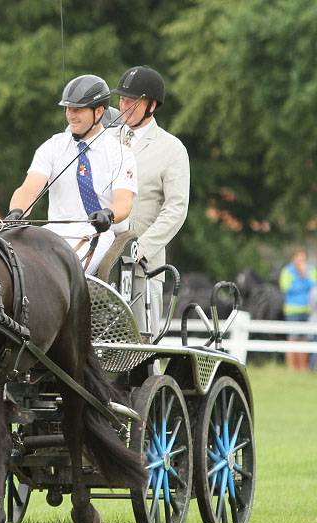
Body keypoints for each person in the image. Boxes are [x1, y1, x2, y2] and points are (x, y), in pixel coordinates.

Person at [7, 74, 136, 275]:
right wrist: (17, 210)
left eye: (78, 110)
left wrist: (108, 214)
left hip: (99, 234)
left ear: (99, 112)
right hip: (54, 234)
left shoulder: (121, 155)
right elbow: (29, 189)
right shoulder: (52, 146)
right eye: (68, 109)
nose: (70, 115)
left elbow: (124, 203)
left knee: (67, 275)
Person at [110, 65, 190, 330]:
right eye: (121, 99)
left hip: (143, 268)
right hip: (98, 260)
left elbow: (176, 209)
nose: (124, 106)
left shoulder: (171, 148)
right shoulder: (105, 139)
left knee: (141, 345)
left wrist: (141, 247)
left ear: (152, 105)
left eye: (132, 102)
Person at [279, 248, 316, 370]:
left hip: (307, 310)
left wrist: (304, 276)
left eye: (303, 259)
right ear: (293, 258)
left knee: (304, 340)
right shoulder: (287, 271)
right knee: (293, 339)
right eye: (299, 258)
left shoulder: (310, 270)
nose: (301, 261)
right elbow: (286, 288)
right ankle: (291, 367)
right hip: (293, 310)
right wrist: (303, 284)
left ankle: (302, 367)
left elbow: (314, 286)